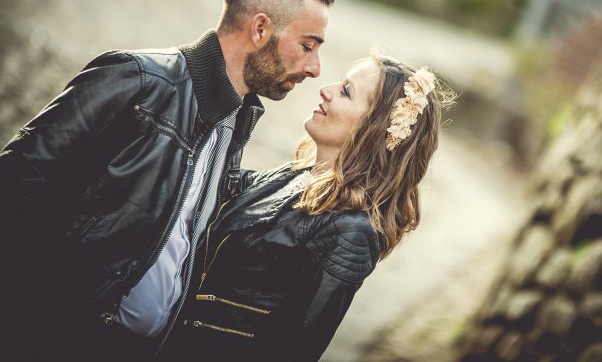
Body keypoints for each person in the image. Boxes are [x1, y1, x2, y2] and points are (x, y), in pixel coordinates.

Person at [0, 0, 336, 361]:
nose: (315, 68)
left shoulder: (235, 120)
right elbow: (16, 183)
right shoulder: (138, 80)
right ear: (261, 28)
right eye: (307, 46)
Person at [159, 54, 453, 361]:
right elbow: (217, 186)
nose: (326, 89)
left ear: (375, 128)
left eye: (346, 91)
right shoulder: (295, 176)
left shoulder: (350, 231)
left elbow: (295, 347)